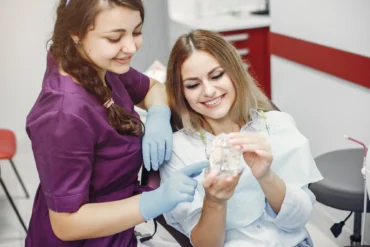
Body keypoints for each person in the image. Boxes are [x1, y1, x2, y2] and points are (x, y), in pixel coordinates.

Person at [25, 1, 208, 246]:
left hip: (119, 231)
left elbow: (153, 89)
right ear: (75, 33)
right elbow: (66, 224)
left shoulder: (96, 65)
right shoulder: (63, 115)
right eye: (114, 38)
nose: (131, 47)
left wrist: (158, 115)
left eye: (137, 32)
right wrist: (153, 201)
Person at [159, 29, 324, 247]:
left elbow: (298, 220)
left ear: (234, 71)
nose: (209, 91)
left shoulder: (277, 125)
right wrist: (215, 202)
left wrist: (266, 177)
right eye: (193, 85)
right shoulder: (178, 150)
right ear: (182, 93)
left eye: (216, 75)